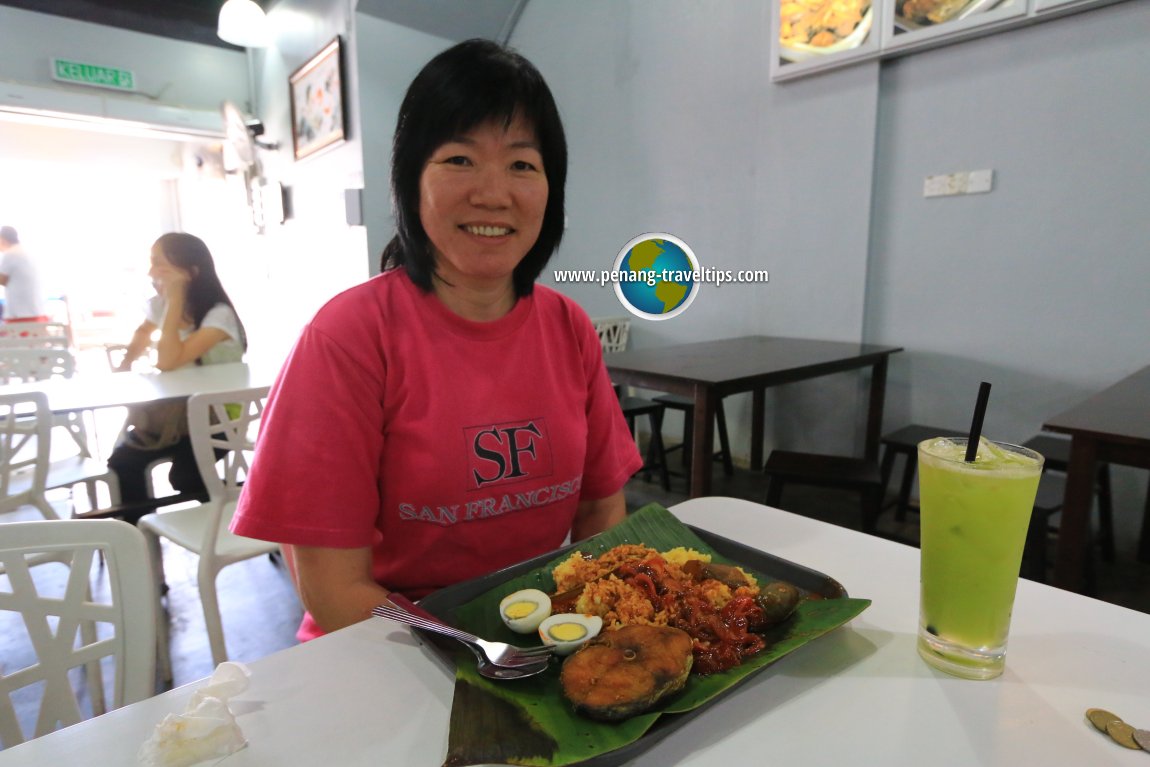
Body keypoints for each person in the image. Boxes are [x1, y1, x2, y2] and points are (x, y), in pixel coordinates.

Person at [231, 39, 643, 642]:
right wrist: (480, 654)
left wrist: (583, 630)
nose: (494, 193)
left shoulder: (568, 326)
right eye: (459, 159)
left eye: (523, 164)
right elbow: (333, 589)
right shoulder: (348, 336)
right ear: (409, 180)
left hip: (536, 636)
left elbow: (600, 508)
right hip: (380, 650)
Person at [108, 232, 247, 505]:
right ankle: (136, 540)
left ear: (190, 272)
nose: (151, 272)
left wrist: (174, 301)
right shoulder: (159, 306)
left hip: (218, 418)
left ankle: (231, 518)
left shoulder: (218, 315)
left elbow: (168, 361)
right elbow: (143, 331)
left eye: (160, 264)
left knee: (185, 476)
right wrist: (125, 365)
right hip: (174, 413)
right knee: (123, 462)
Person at [0, 225, 49, 322]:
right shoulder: (26, 252)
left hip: (21, 315)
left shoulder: (10, 254)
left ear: (2, 239)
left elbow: (2, 280)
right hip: (36, 312)